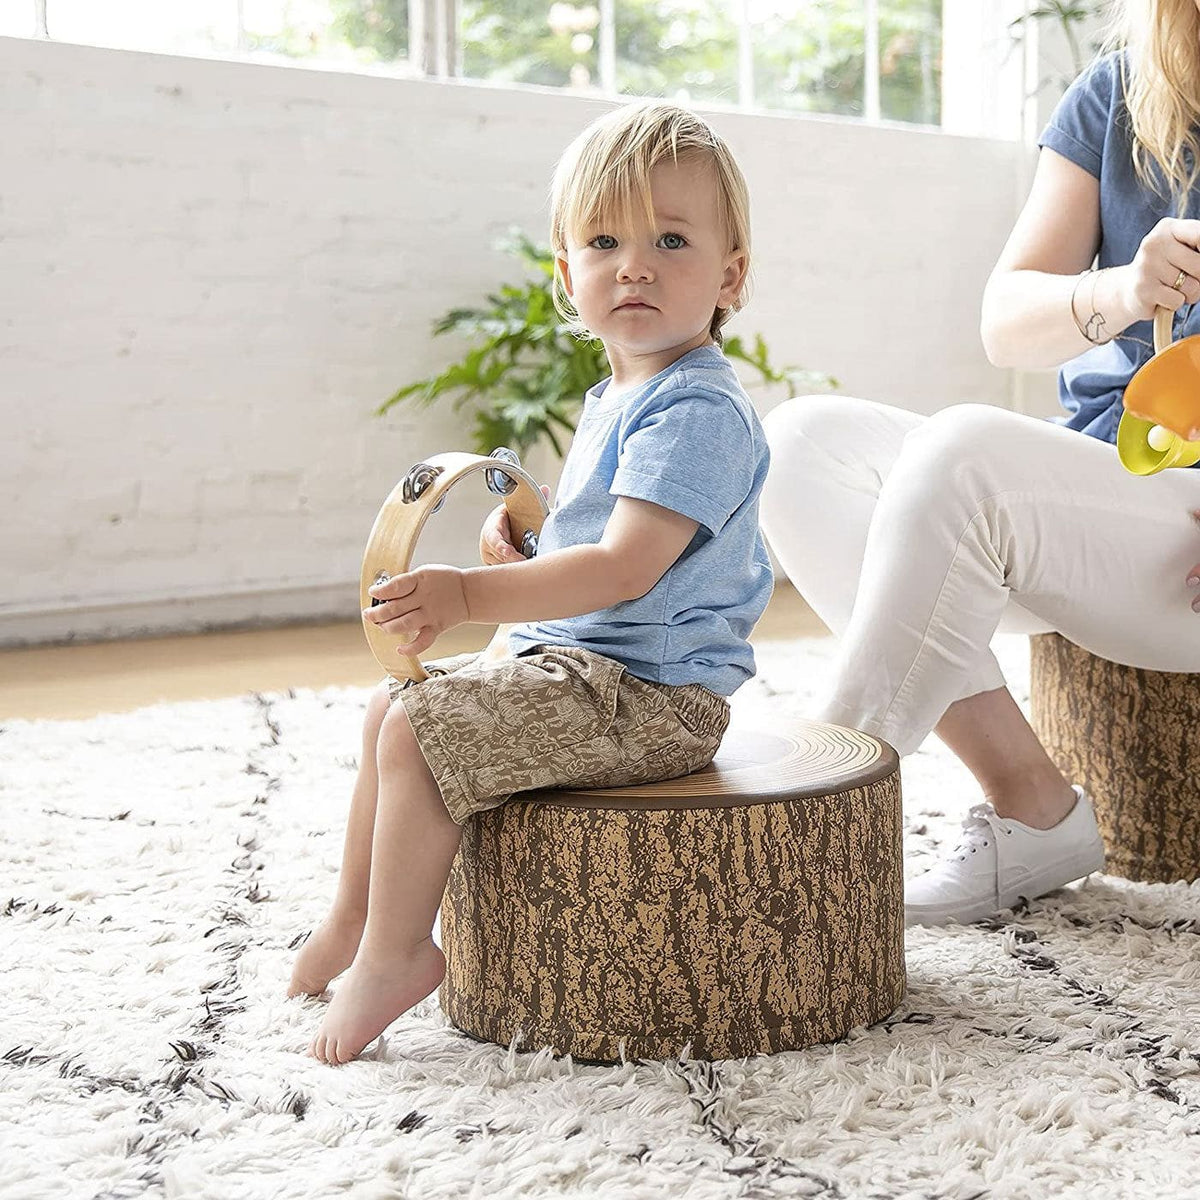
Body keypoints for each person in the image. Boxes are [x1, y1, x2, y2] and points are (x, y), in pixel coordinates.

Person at [289, 101, 773, 1064]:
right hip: (588, 669)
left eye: (671, 240)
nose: (634, 266)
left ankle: (397, 954)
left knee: (420, 733)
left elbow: (627, 567)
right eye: (605, 242)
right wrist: (534, 536)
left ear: (730, 276)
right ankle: (354, 916)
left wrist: (470, 595)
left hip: (652, 698)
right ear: (567, 273)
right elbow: (603, 535)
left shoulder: (697, 410)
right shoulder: (623, 393)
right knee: (390, 709)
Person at [759, 0, 1200, 928]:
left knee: (967, 454)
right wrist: (1123, 289)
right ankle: (1033, 805)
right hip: (1104, 500)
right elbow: (1008, 323)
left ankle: (797, 841)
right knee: (801, 446)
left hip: (1183, 541)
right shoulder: (1122, 91)